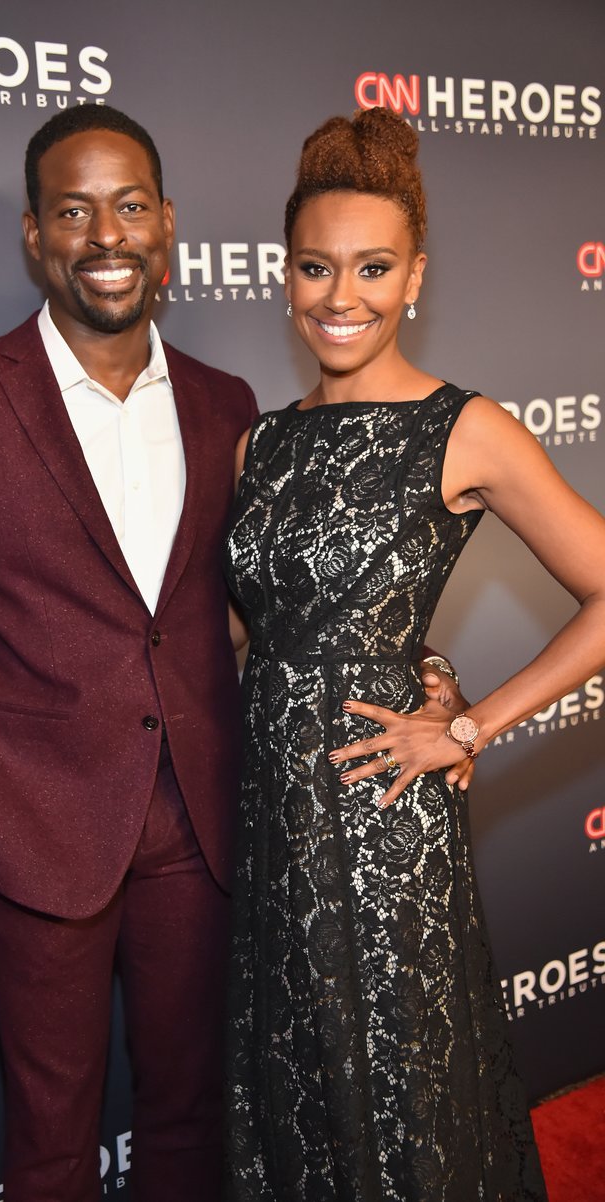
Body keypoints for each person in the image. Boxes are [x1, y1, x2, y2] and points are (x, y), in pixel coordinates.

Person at [0, 104, 259, 1202]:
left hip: (198, 823)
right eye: (73, 211)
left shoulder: (226, 406)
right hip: (29, 831)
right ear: (33, 234)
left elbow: (246, 608)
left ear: (167, 224)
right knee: (52, 1149)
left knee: (188, 1122)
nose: (105, 235)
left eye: (128, 206)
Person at [224, 106, 605, 1201]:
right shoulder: (262, 437)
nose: (339, 296)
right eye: (314, 267)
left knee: (398, 1090)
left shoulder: (463, 427)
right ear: (284, 275)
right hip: (270, 817)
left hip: (382, 818)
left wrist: (468, 720)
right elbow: (256, 627)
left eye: (372, 267)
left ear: (414, 277)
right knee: (293, 1086)